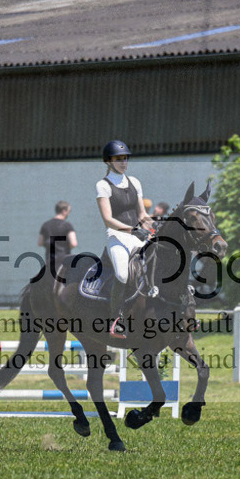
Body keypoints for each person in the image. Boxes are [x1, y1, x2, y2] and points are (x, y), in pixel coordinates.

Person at [96, 140, 153, 339]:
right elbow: (108, 219)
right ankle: (116, 318)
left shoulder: (135, 182)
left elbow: (142, 214)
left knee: (157, 264)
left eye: (125, 158)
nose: (123, 162)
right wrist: (131, 230)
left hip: (136, 236)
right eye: (118, 159)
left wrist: (154, 224)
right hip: (117, 237)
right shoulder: (103, 185)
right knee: (122, 274)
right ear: (108, 161)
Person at [37, 200, 78, 280]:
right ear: (64, 211)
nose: (69, 213)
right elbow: (73, 243)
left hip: (49, 261)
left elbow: (40, 242)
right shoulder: (67, 225)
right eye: (69, 211)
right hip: (64, 261)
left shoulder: (45, 225)